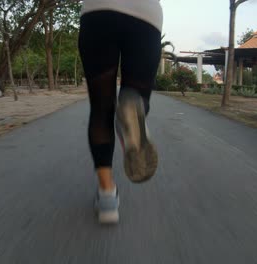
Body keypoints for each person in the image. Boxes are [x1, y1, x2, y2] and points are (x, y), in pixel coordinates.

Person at [79, 0, 163, 224]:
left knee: (101, 108)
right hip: (146, 15)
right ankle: (132, 112)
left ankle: (107, 195)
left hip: (99, 12)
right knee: (136, 96)